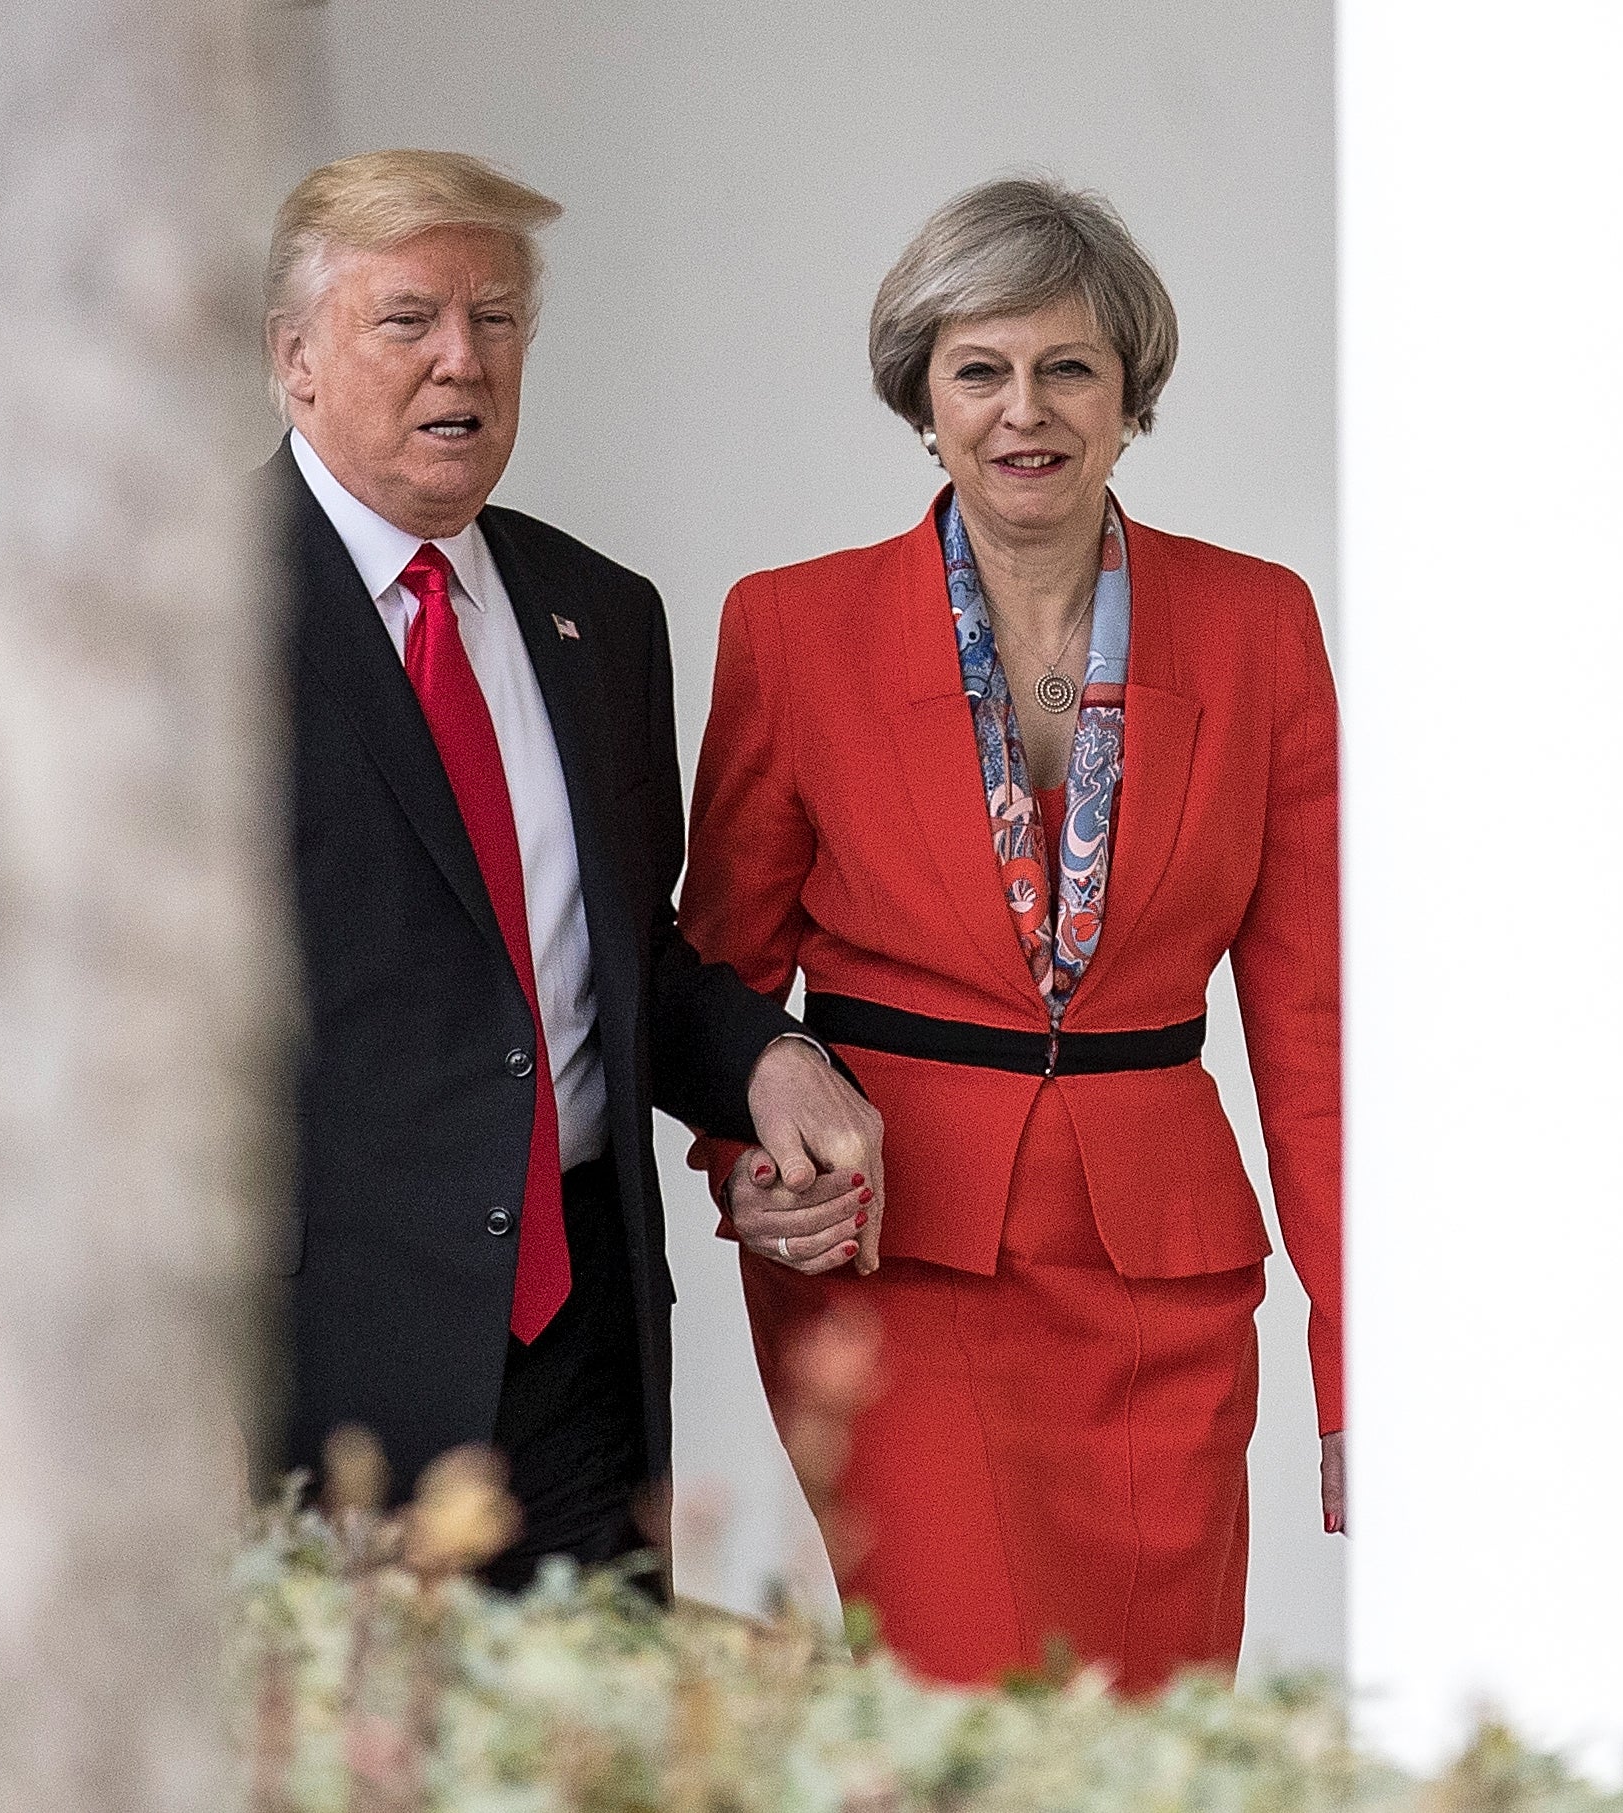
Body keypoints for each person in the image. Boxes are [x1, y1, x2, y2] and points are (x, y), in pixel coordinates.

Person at [683, 176, 1345, 1690]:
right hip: (900, 1266)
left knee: (1155, 1735)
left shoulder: (1259, 626)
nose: (1023, 410)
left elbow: (1314, 1034)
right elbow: (710, 976)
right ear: (924, 394)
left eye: (1069, 368)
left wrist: (1349, 1350)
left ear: (1130, 395)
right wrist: (745, 1168)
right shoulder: (791, 629)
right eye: (980, 368)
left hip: (1166, 1288)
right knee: (960, 1714)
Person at [262, 150, 882, 1590]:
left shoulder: (596, 614)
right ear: (294, 360)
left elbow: (622, 951)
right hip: (323, 1376)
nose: (460, 360)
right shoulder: (192, 608)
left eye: (495, 320)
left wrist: (771, 1057)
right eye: (407, 319)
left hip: (583, 1350)